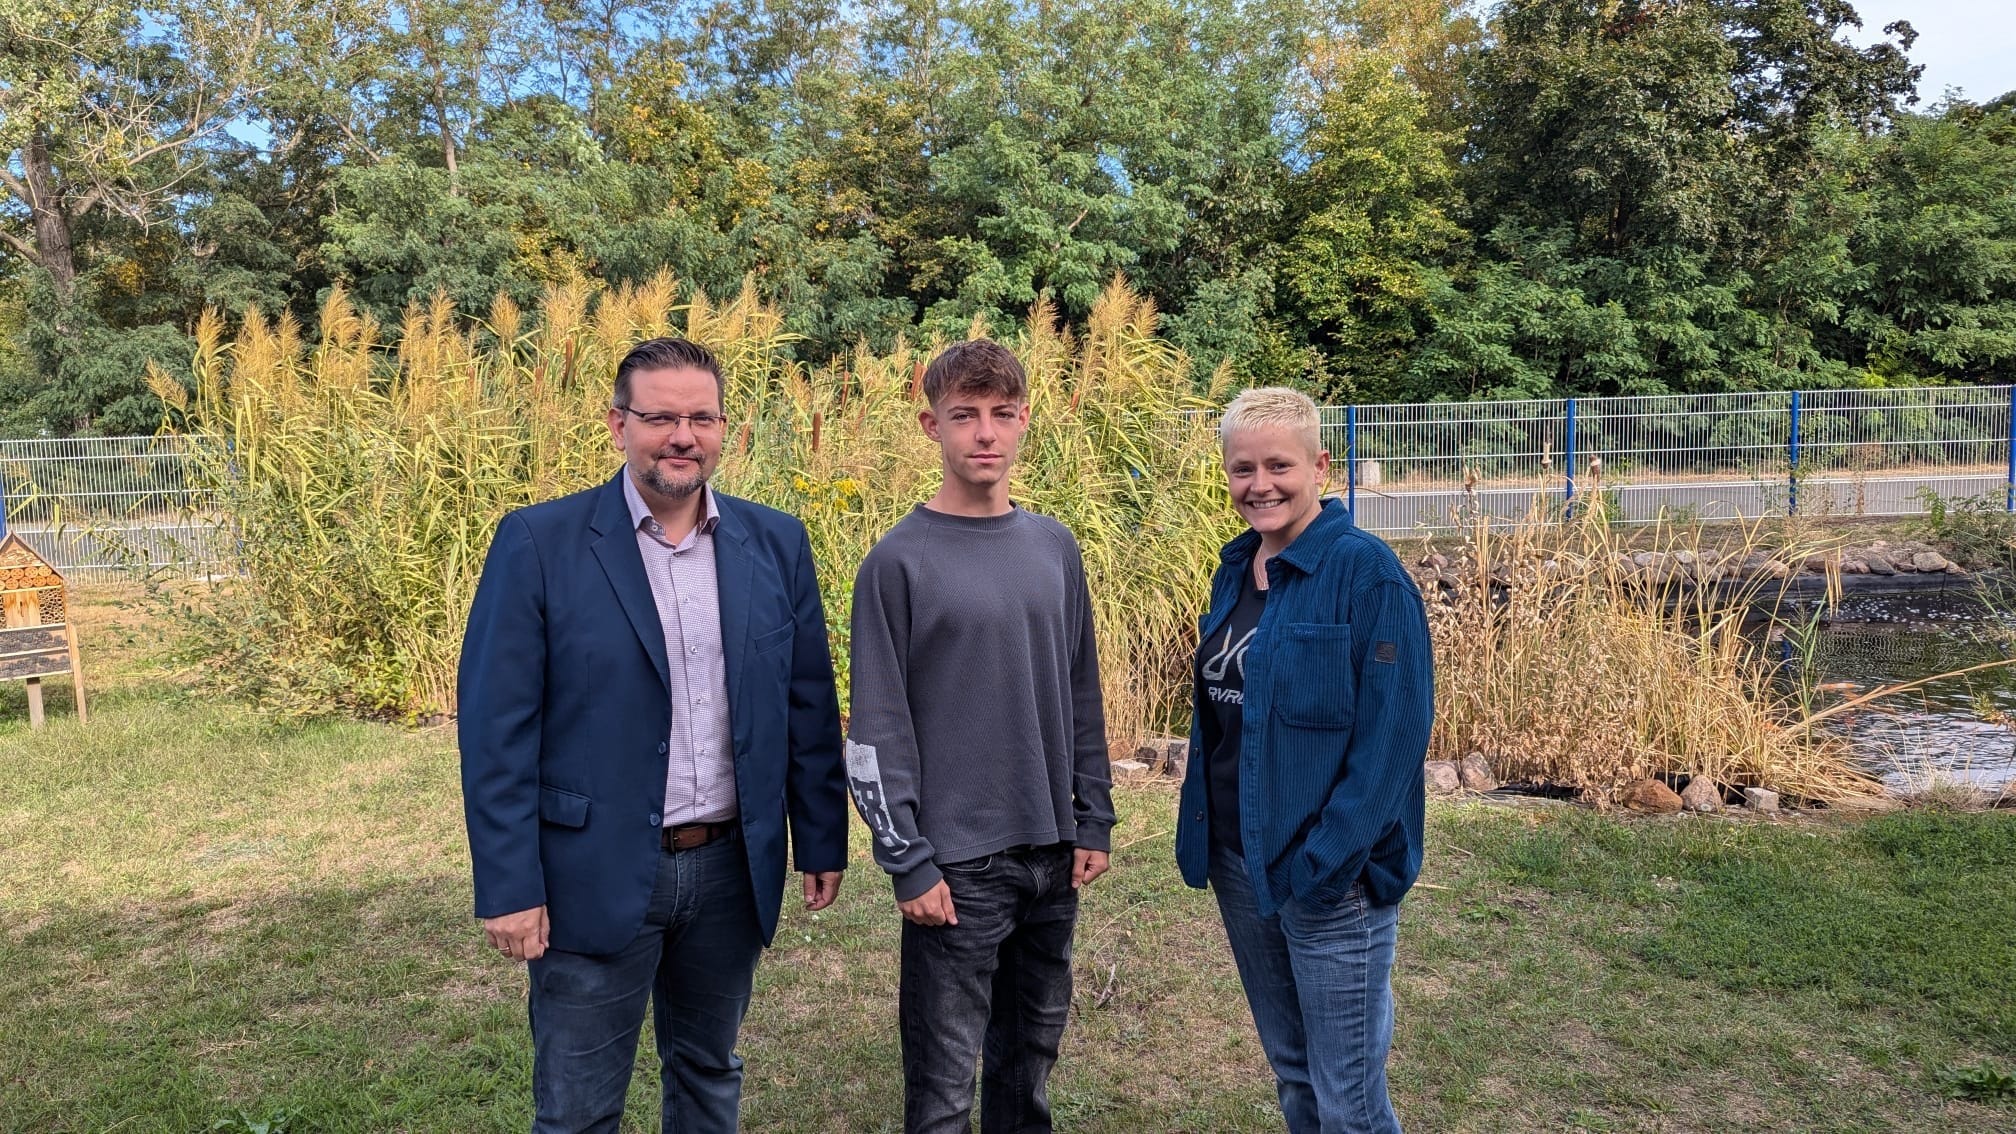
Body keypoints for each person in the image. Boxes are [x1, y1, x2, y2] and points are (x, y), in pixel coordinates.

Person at [458, 337, 850, 1134]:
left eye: (701, 418)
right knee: (578, 1110)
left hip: (730, 870)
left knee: (709, 1076)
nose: (682, 436)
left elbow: (807, 703)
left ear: (725, 428)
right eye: (661, 418)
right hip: (590, 872)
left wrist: (820, 839)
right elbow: (497, 731)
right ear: (619, 425)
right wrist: (509, 886)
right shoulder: (539, 543)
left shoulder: (776, 542)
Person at [846, 338, 1117, 1134]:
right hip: (956, 868)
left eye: (1002, 413)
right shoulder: (896, 563)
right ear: (931, 425)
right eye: (964, 415)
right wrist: (907, 860)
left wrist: (1093, 817)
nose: (986, 433)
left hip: (1052, 852)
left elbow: (1081, 690)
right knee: (942, 1089)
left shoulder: (1054, 547)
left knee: (1028, 1064)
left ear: (1026, 419)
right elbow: (875, 732)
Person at [1175, 387, 1434, 1134]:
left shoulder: (1366, 575)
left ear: (1320, 466)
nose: (1260, 484)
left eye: (1279, 466)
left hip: (1329, 878)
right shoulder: (1237, 569)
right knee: (1294, 1072)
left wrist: (1326, 862)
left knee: (1349, 1099)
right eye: (1242, 469)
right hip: (1241, 863)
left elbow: (1394, 738)